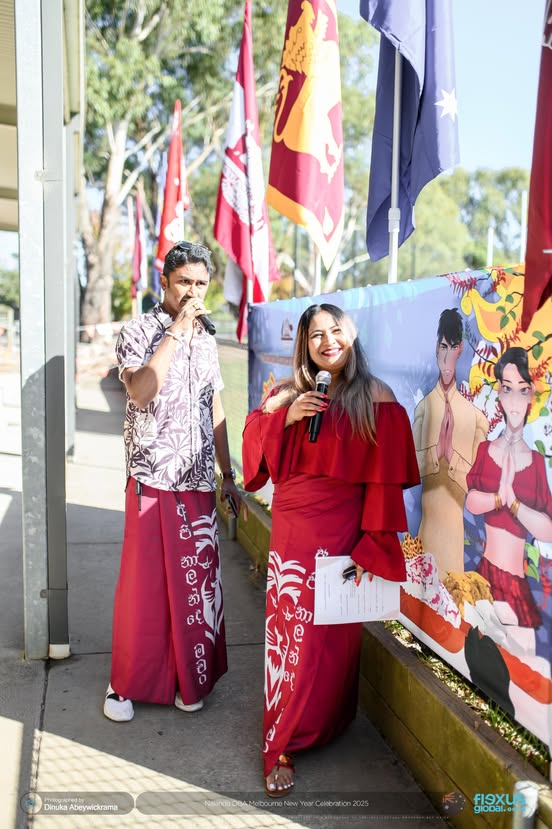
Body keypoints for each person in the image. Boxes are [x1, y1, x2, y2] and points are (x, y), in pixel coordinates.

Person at [241, 303, 419, 796]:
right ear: (304, 345)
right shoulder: (289, 393)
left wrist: (373, 541)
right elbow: (254, 447)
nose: (326, 341)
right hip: (295, 531)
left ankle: (329, 722)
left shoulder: (375, 396)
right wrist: (285, 417)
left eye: (335, 331)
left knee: (333, 641)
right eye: (315, 334)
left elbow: (384, 483)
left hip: (344, 534)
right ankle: (283, 743)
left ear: (351, 336)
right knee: (294, 641)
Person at [103, 241, 243, 722]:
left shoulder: (207, 339)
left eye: (201, 284)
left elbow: (216, 408)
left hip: (198, 479)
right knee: (144, 587)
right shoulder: (137, 330)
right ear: (164, 283)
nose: (193, 292)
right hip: (152, 478)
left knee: (194, 586)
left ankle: (190, 676)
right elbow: (141, 391)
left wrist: (229, 475)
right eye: (184, 282)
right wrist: (177, 332)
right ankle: (124, 685)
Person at [465, 347, 552, 653]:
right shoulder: (486, 450)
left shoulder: (537, 464)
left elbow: (547, 529)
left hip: (517, 586)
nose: (515, 401)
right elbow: (471, 501)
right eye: (507, 389)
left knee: (524, 665)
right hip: (484, 576)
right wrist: (497, 499)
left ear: (531, 396)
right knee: (480, 656)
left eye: (523, 390)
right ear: (499, 394)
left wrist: (515, 504)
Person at [413, 308, 489, 580]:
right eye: (443, 346)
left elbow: (478, 483)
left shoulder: (475, 418)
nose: (447, 355)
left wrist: (453, 459)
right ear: (436, 348)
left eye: (453, 347)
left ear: (460, 351)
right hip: (425, 529)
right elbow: (410, 471)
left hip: (454, 533)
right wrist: (435, 454)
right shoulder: (423, 409)